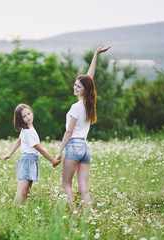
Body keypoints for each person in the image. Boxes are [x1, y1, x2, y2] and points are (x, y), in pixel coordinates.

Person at [55, 45, 110, 205]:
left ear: (84, 90)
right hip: (85, 147)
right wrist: (96, 54)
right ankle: (87, 215)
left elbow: (68, 132)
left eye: (78, 86)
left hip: (74, 146)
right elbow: (89, 78)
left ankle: (73, 214)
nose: (75, 87)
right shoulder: (88, 104)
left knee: (66, 184)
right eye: (75, 84)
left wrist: (59, 151)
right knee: (84, 189)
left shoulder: (75, 107)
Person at [0, 104, 61, 204]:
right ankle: (11, 213)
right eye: (24, 116)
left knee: (26, 193)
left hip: (30, 161)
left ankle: (20, 214)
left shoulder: (27, 129)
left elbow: (19, 141)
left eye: (29, 113)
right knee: (21, 194)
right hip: (27, 161)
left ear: (31, 112)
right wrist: (53, 161)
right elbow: (40, 149)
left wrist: (9, 154)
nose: (28, 117)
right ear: (20, 119)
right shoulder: (28, 131)